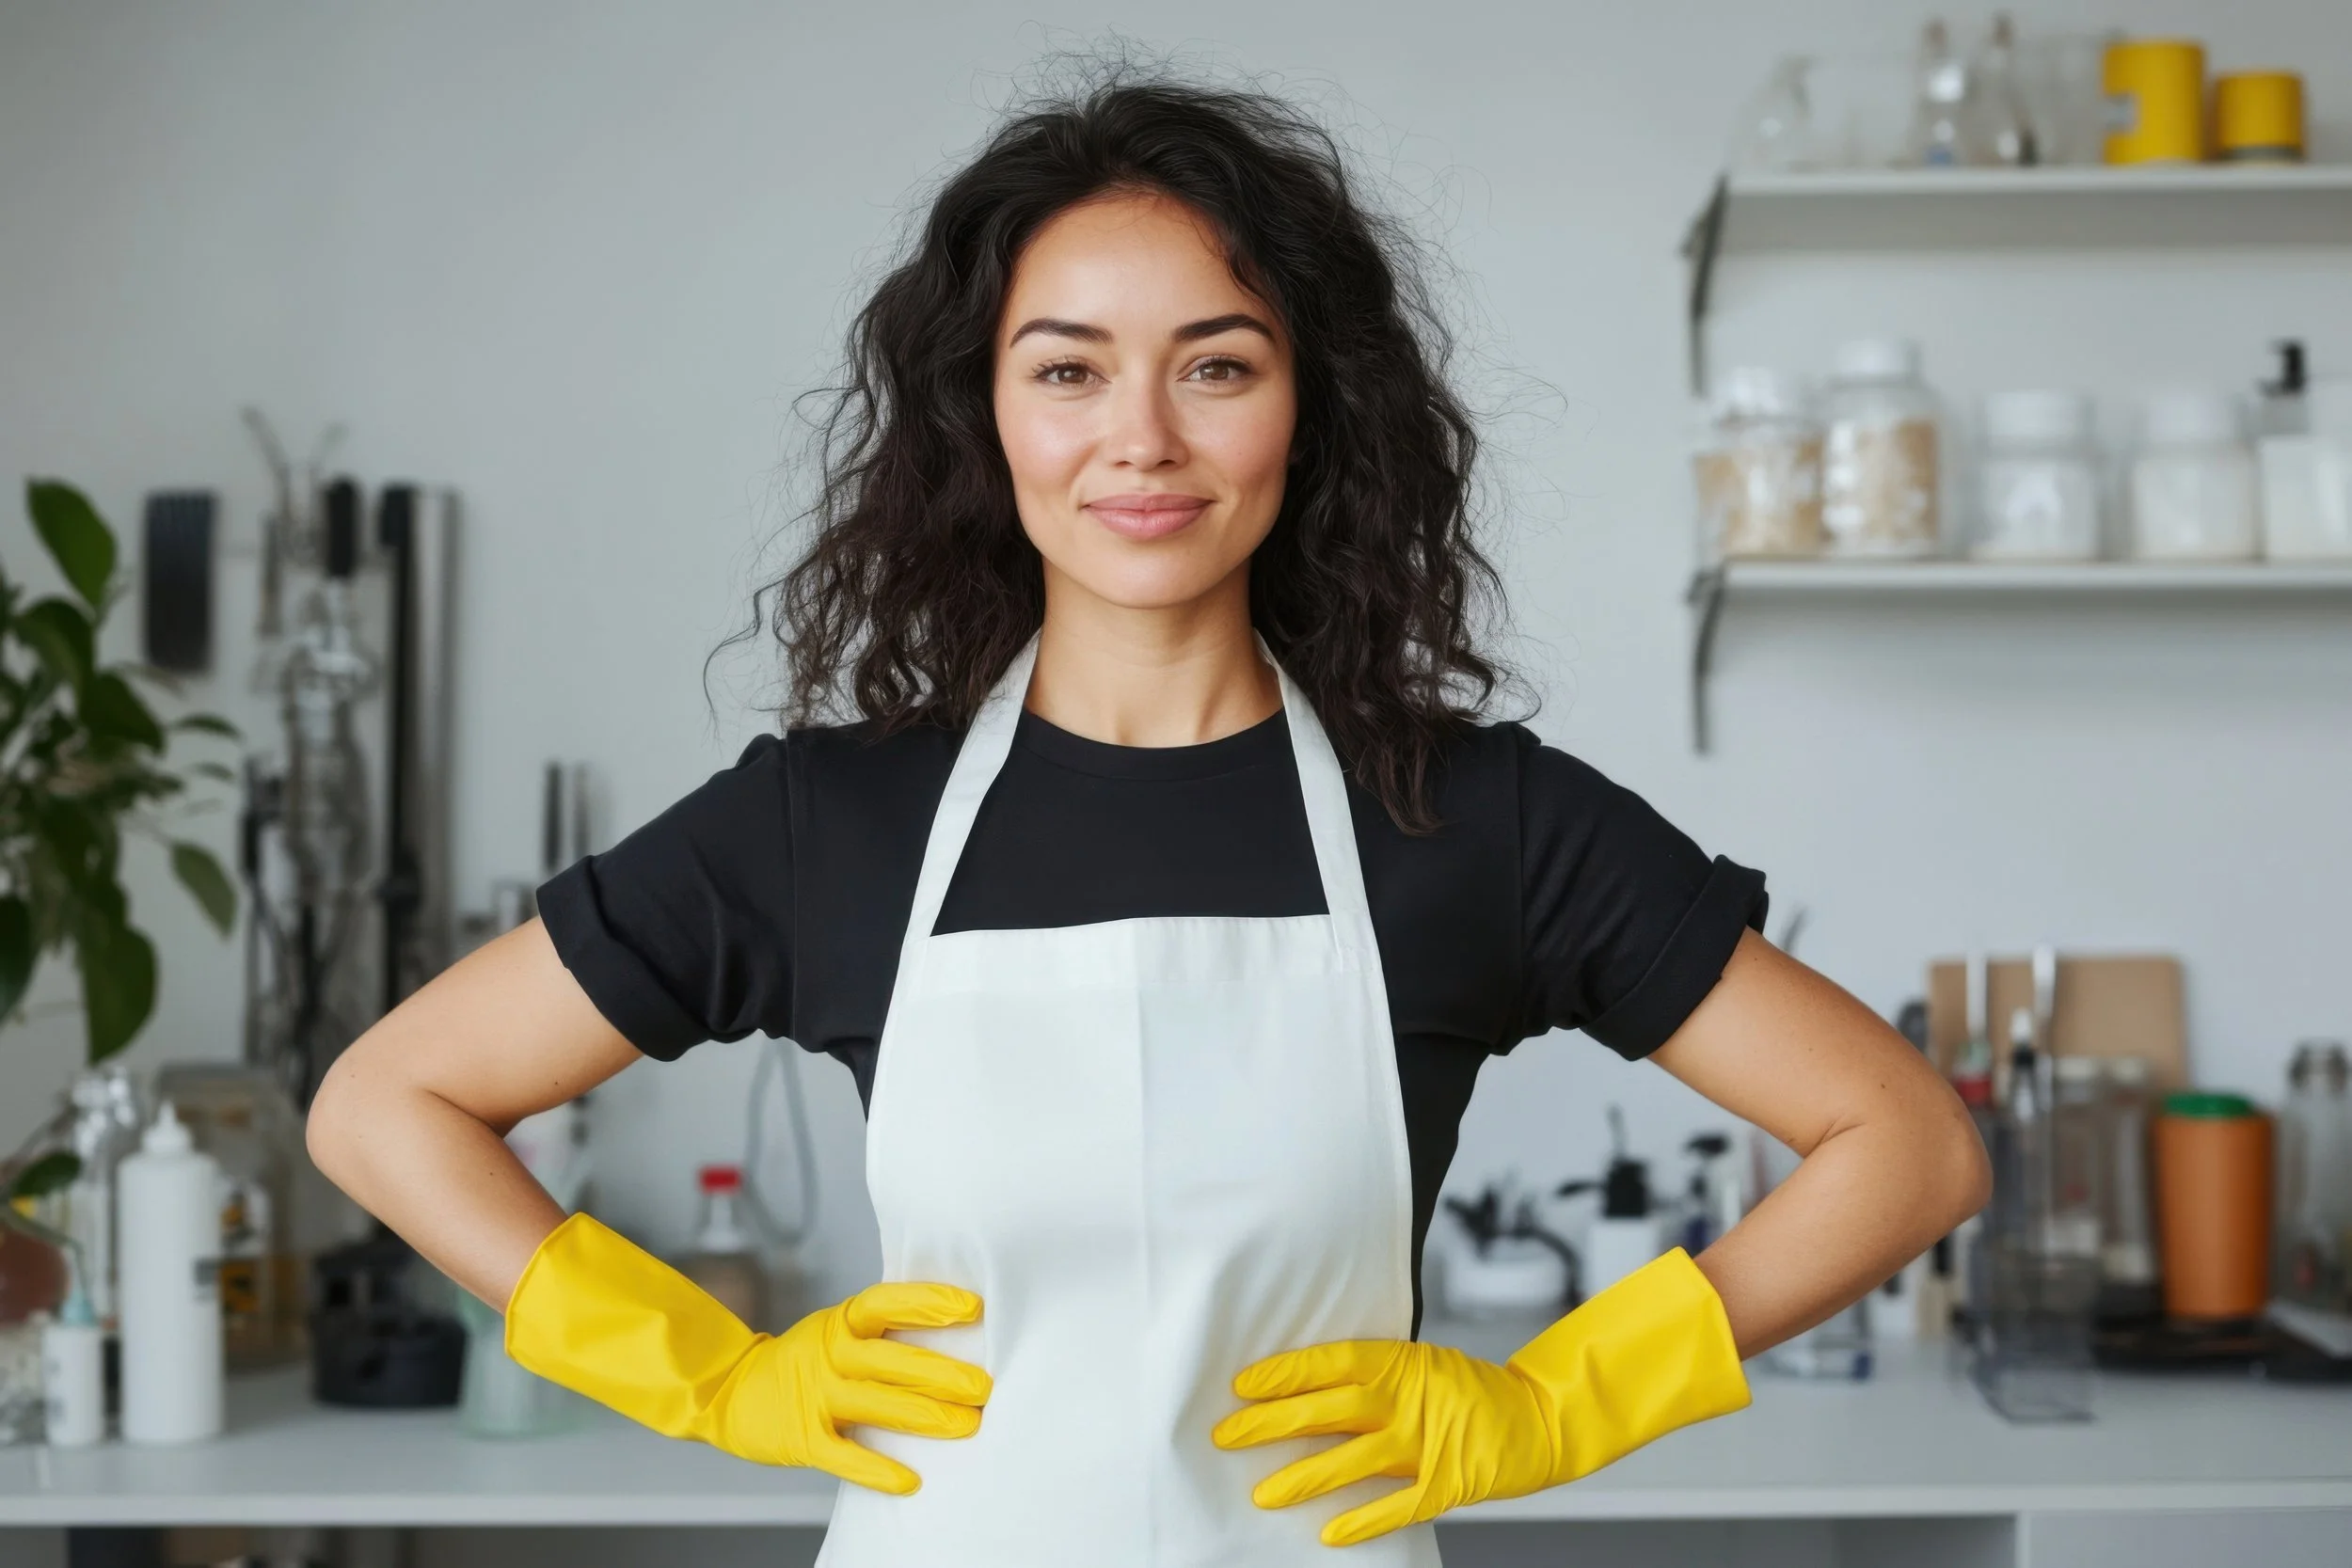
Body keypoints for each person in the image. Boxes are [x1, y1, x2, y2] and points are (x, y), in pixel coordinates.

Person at [307, 72, 1988, 1567]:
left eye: (1218, 364)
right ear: (990, 414)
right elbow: (386, 1102)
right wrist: (704, 1372)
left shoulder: (1471, 817)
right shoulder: (836, 821)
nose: (1143, 439)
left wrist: (1561, 1398)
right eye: (1070, 369)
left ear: (1308, 406)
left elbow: (1909, 1143)